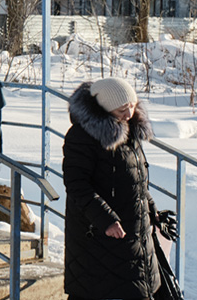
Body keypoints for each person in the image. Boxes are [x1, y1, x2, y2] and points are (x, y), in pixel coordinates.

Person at [63, 77, 165, 300]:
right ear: (105, 108)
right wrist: (105, 219)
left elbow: (135, 180)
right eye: (121, 110)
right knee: (99, 288)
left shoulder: (128, 131)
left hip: (133, 229)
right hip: (98, 232)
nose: (129, 114)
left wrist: (151, 209)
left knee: (138, 287)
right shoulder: (81, 137)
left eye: (131, 106)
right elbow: (77, 184)